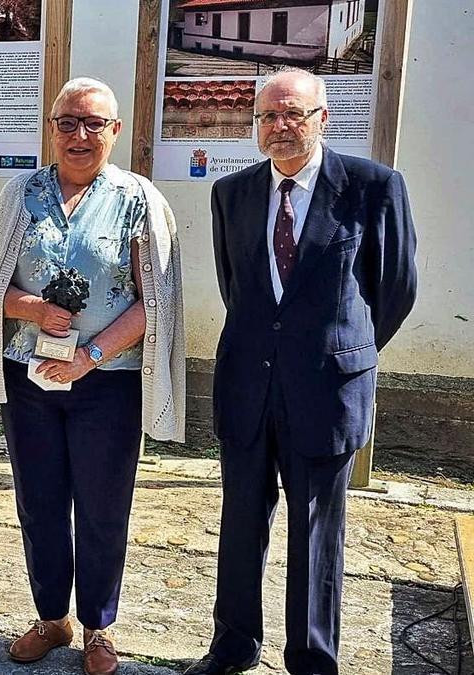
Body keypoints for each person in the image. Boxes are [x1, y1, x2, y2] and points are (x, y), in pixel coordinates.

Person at [185, 68, 417, 675]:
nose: (281, 126)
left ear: (323, 119)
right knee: (239, 524)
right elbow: (238, 289)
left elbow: (393, 290)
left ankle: (312, 658)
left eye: (294, 114)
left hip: (325, 390)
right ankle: (232, 646)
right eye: (268, 116)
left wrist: (337, 352)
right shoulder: (231, 194)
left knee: (315, 533)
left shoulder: (373, 187)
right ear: (255, 126)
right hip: (247, 388)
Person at [0, 77, 186, 674]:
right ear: (51, 128)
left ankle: (99, 628)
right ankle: (51, 617)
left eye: (93, 124)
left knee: (102, 505)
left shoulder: (139, 200)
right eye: (67, 123)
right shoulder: (20, 194)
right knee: (38, 501)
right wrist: (33, 309)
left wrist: (89, 356)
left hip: (107, 381)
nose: (79, 135)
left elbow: (155, 299)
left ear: (115, 131)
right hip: (30, 378)